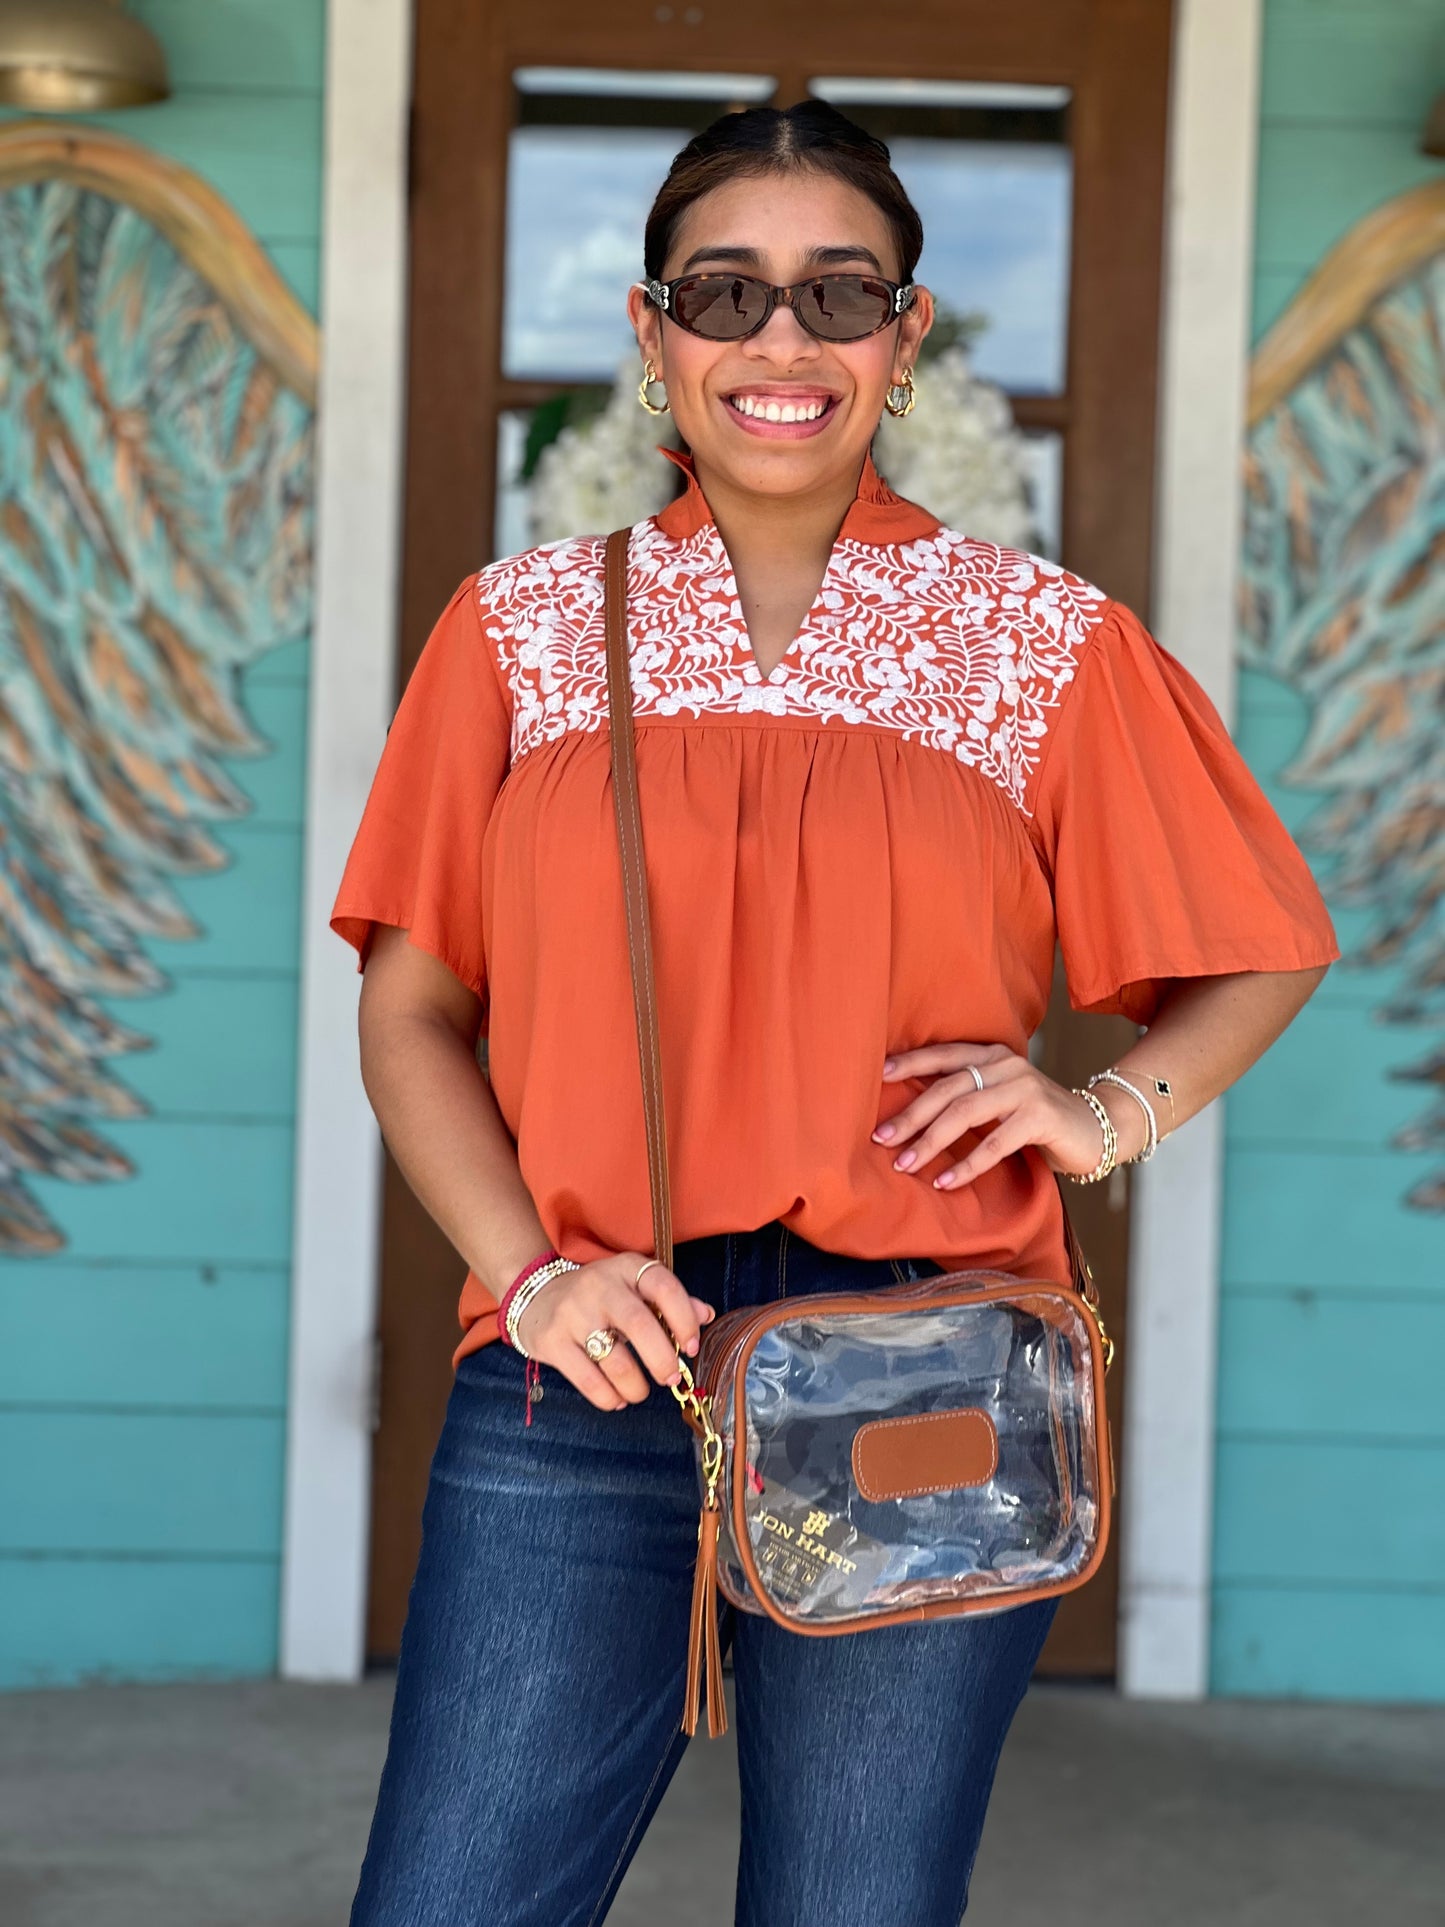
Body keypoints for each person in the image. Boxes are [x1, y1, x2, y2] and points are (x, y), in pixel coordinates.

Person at [329, 100, 1337, 1927]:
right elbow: (413, 1011)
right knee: (451, 1904)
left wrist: (1100, 1113)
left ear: (906, 331)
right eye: (723, 293)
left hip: (924, 1355)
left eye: (832, 293)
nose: (777, 342)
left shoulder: (1035, 639)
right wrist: (530, 1274)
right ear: (651, 336)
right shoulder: (522, 628)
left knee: (853, 1912)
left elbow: (1257, 944)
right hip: (583, 1349)